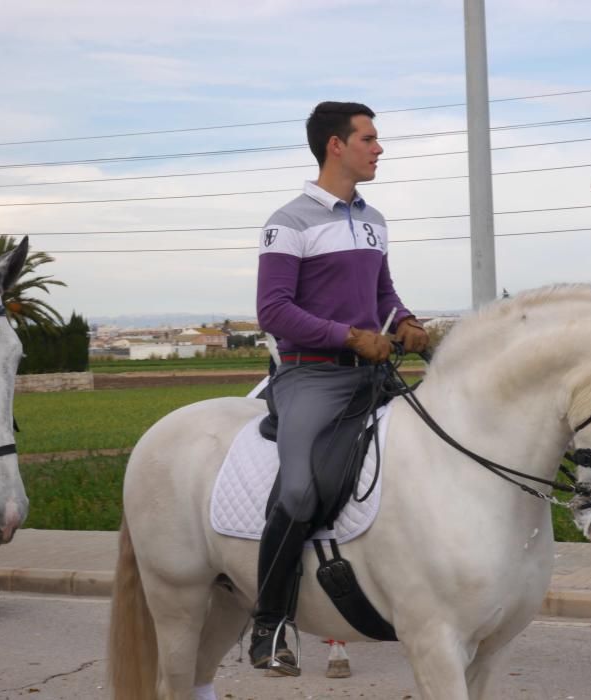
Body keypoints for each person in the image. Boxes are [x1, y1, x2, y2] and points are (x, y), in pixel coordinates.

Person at [251, 101, 429, 671]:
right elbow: (272, 310)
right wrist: (349, 337)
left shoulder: (373, 219)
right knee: (300, 491)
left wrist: (404, 320)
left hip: (372, 375)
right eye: (369, 139)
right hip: (311, 376)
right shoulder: (289, 222)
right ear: (336, 145)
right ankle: (270, 625)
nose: (379, 149)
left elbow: (383, 293)